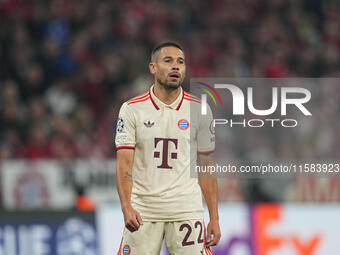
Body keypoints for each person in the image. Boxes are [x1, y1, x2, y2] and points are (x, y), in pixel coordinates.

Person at [115, 42, 220, 255]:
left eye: (180, 62)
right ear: (152, 67)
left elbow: (206, 166)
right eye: (168, 61)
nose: (176, 67)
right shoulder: (132, 109)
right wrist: (126, 207)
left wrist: (214, 218)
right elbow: (124, 165)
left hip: (186, 209)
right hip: (144, 210)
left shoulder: (200, 110)